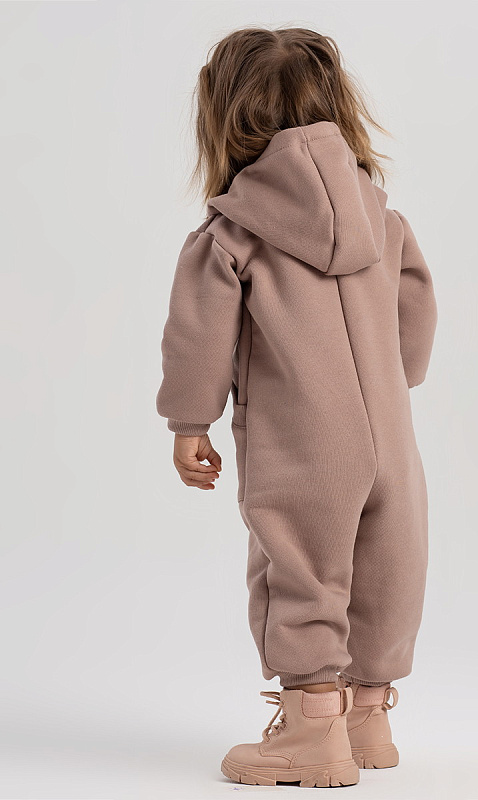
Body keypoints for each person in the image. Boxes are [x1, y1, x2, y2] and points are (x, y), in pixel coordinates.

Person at [156, 26, 437, 788]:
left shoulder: (234, 234)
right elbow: (416, 312)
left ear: (227, 119)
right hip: (391, 436)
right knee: (388, 562)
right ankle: (368, 716)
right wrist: (393, 377)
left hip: (304, 442)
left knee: (303, 568)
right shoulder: (383, 220)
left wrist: (190, 421)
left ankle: (314, 730)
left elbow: (198, 332)